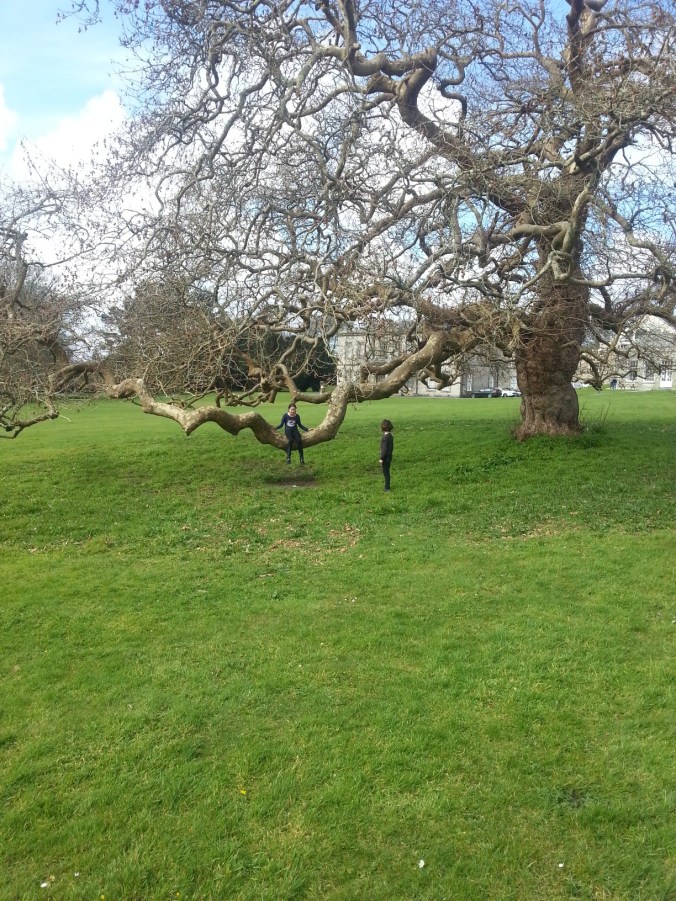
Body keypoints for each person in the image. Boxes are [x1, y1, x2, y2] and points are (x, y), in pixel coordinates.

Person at [379, 419, 394, 491]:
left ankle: (387, 488)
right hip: (389, 456)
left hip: (385, 458)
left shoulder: (385, 438)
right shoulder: (390, 435)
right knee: (387, 472)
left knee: (386, 473)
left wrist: (381, 458)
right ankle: (387, 487)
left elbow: (384, 450)